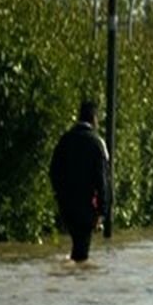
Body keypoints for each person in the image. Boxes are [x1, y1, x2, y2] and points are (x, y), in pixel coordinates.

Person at [48, 99, 109, 262]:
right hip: (87, 207)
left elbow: (53, 171)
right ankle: (77, 282)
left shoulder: (65, 140)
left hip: (67, 206)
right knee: (82, 254)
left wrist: (59, 196)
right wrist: (102, 210)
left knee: (77, 245)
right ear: (94, 118)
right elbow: (101, 179)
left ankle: (71, 279)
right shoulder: (96, 143)